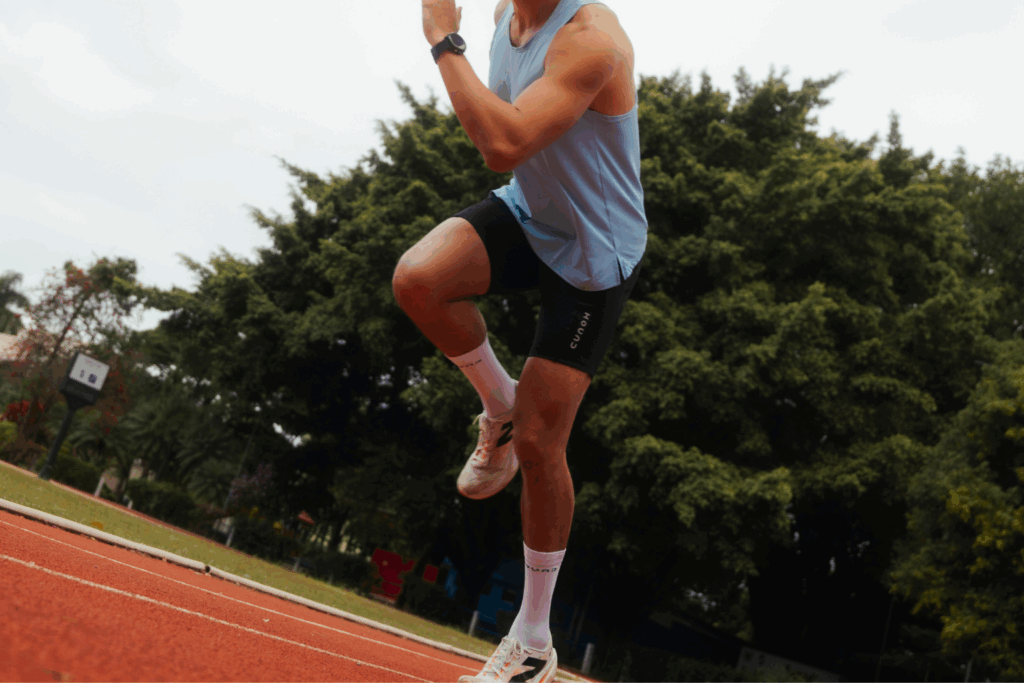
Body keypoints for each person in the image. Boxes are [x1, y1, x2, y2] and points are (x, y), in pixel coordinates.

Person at [393, 0, 646, 680]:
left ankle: (533, 637)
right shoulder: (509, 13)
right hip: (531, 214)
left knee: (541, 444)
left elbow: (502, 143)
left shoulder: (594, 42)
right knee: (419, 279)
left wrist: (443, 40)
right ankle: (498, 403)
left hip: (594, 252)